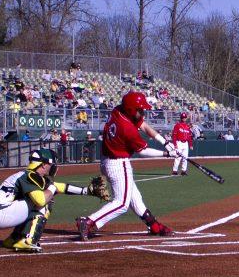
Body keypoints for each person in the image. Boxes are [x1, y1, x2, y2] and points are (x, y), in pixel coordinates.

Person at [76, 91, 181, 241]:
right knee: (122, 203)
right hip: (118, 164)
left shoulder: (119, 110)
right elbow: (143, 151)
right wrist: (167, 154)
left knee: (135, 198)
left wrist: (165, 142)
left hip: (106, 160)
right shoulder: (127, 129)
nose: (143, 112)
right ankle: (89, 221)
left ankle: (153, 225)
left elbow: (144, 126)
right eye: (140, 109)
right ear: (132, 110)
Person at [0, 148, 110, 252]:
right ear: (44, 165)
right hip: (0, 214)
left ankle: (14, 239)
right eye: (51, 164)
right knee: (44, 201)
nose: (53, 167)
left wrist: (86, 191)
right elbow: (41, 199)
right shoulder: (30, 176)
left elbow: (58, 187)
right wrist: (51, 189)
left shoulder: (29, 174)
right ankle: (27, 240)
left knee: (42, 197)